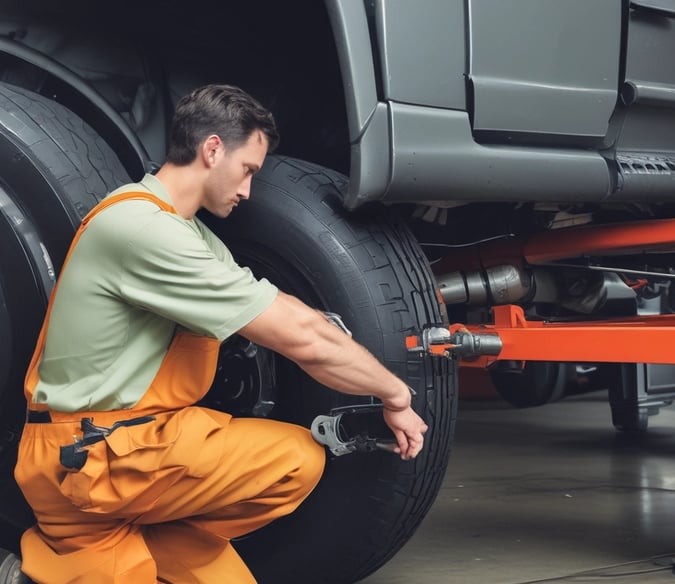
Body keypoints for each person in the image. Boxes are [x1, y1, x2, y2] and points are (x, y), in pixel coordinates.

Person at [13, 83, 429, 583]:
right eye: (248, 169)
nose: (248, 189)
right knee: (292, 457)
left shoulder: (188, 232)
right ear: (212, 149)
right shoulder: (142, 228)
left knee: (287, 471)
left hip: (137, 454)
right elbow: (301, 337)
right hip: (91, 462)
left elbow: (278, 308)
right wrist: (394, 393)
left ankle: (145, 540)